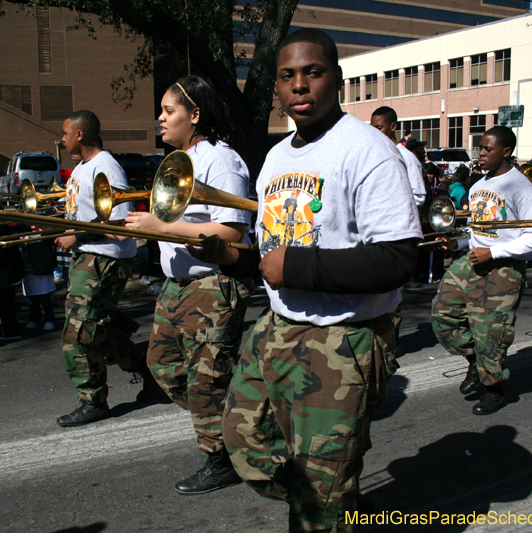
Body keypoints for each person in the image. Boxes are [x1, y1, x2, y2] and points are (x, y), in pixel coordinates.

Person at [188, 29, 422, 530]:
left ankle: (329, 504)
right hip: (278, 327)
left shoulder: (368, 149)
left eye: (312, 72)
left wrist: (297, 267)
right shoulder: (276, 158)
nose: (299, 85)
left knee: (319, 496)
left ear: (336, 78)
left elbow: (399, 258)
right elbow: (270, 254)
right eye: (287, 76)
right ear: (276, 85)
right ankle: (335, 503)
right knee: (244, 440)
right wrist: (228, 256)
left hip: (344, 339)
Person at [122, 75, 253, 495]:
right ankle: (243, 419)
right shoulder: (178, 161)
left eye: (169, 110)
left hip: (210, 286)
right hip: (175, 287)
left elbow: (232, 231)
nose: (160, 119)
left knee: (207, 380)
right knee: (162, 366)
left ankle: (222, 457)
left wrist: (161, 226)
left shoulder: (221, 159)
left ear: (195, 114)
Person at [432, 126, 532, 415]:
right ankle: (476, 361)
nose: (481, 153)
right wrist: (456, 243)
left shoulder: (521, 187)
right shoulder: (477, 186)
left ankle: (495, 389)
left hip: (503, 267)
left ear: (506, 152)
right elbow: (477, 232)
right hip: (473, 258)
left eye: (488, 149)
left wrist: (493, 252)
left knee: (490, 332)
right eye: (480, 148)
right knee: (443, 312)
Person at [54, 109, 145, 428]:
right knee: (92, 329)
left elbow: (119, 223)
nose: (61, 139)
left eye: (65, 133)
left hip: (104, 258)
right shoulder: (82, 168)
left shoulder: (106, 167)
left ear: (80, 134)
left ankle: (93, 401)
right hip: (87, 258)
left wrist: (76, 235)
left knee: (78, 332)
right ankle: (145, 364)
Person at [370, 107, 427, 207]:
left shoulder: (407, 157)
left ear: (393, 126)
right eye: (372, 128)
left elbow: (418, 196)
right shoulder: (374, 156)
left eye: (379, 128)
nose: (375, 132)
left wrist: (387, 203)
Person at [20, 235, 56, 331]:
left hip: (42, 272)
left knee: (45, 298)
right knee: (32, 298)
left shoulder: (42, 236)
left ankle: (50, 319)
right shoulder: (22, 237)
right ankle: (34, 320)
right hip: (28, 273)